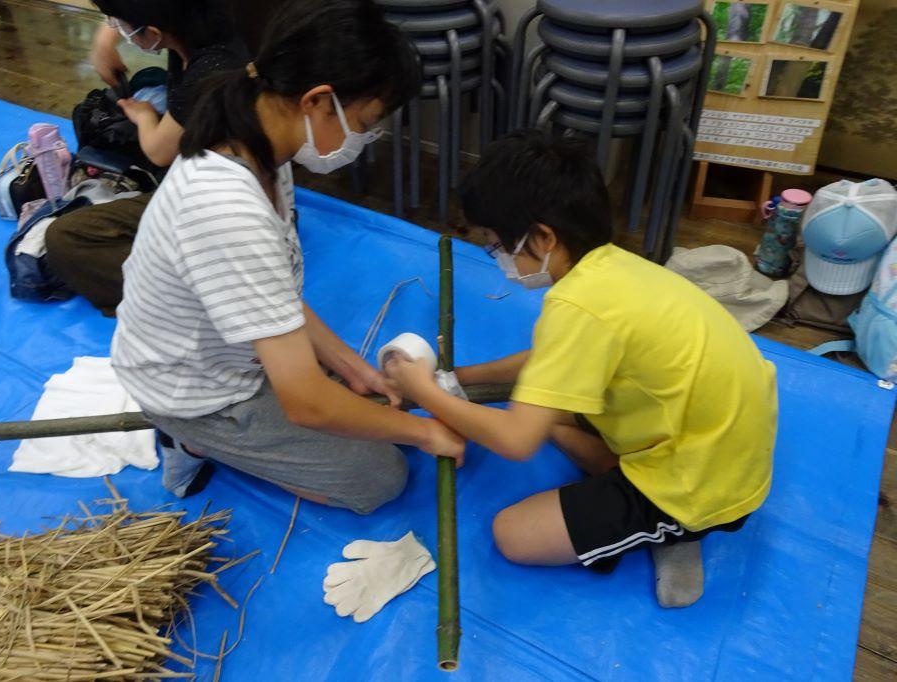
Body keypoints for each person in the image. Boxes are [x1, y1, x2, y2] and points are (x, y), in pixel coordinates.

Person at [384, 130, 777, 607]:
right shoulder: (612, 267)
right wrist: (460, 378)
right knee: (548, 412)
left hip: (704, 481)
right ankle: (644, 501)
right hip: (704, 433)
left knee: (514, 534)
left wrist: (423, 390)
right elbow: (551, 361)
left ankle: (673, 530)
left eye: (496, 245)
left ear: (544, 236)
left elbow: (514, 441)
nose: (498, 258)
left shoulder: (577, 306)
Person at [111, 0, 464, 514]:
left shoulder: (263, 141)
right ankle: (192, 440)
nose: (366, 138)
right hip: (199, 394)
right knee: (378, 478)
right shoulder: (227, 206)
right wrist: (426, 434)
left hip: (229, 352)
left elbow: (273, 288)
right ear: (319, 100)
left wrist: (347, 363)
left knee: (358, 406)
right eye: (366, 122)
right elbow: (306, 404)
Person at [45, 0, 256, 316]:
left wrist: (144, 117)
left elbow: (159, 151)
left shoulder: (212, 65)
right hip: (200, 189)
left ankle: (205, 293)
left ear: (153, 31)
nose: (119, 31)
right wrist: (105, 40)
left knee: (65, 240)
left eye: (123, 26)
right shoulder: (191, 31)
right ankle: (200, 284)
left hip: (220, 208)